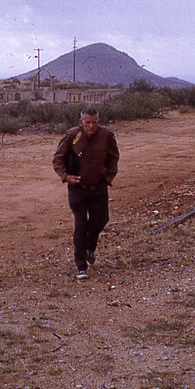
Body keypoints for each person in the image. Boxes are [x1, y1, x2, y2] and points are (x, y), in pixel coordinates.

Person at [52, 107, 120, 279]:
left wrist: (108, 177)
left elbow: (114, 157)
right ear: (81, 122)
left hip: (98, 186)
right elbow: (58, 159)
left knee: (101, 220)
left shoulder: (106, 136)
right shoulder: (72, 136)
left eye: (94, 122)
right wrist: (66, 177)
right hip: (78, 188)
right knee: (81, 224)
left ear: (98, 121)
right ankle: (81, 265)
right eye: (87, 122)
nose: (91, 126)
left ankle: (89, 248)